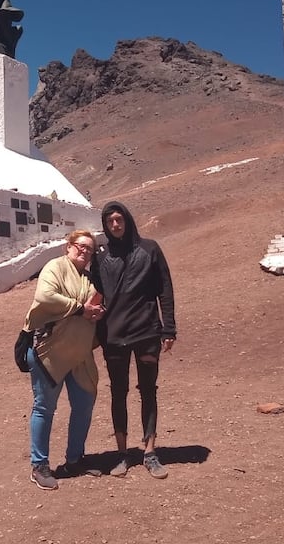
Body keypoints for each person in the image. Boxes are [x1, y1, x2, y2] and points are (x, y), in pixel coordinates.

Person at [91, 202, 177, 479]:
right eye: (110, 221)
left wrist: (169, 328)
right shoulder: (100, 256)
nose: (115, 225)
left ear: (127, 220)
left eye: (119, 220)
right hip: (113, 336)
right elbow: (92, 291)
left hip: (147, 332)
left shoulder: (149, 249)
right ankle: (122, 453)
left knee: (148, 390)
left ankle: (150, 452)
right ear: (105, 225)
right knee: (118, 392)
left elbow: (165, 288)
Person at [24, 230, 106, 490]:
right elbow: (46, 297)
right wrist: (82, 309)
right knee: (44, 408)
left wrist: (97, 312)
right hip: (51, 351)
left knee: (84, 404)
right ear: (68, 247)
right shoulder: (55, 267)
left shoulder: (89, 279)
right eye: (81, 246)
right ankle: (39, 466)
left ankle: (74, 459)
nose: (85, 251)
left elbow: (94, 305)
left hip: (79, 353)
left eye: (90, 249)